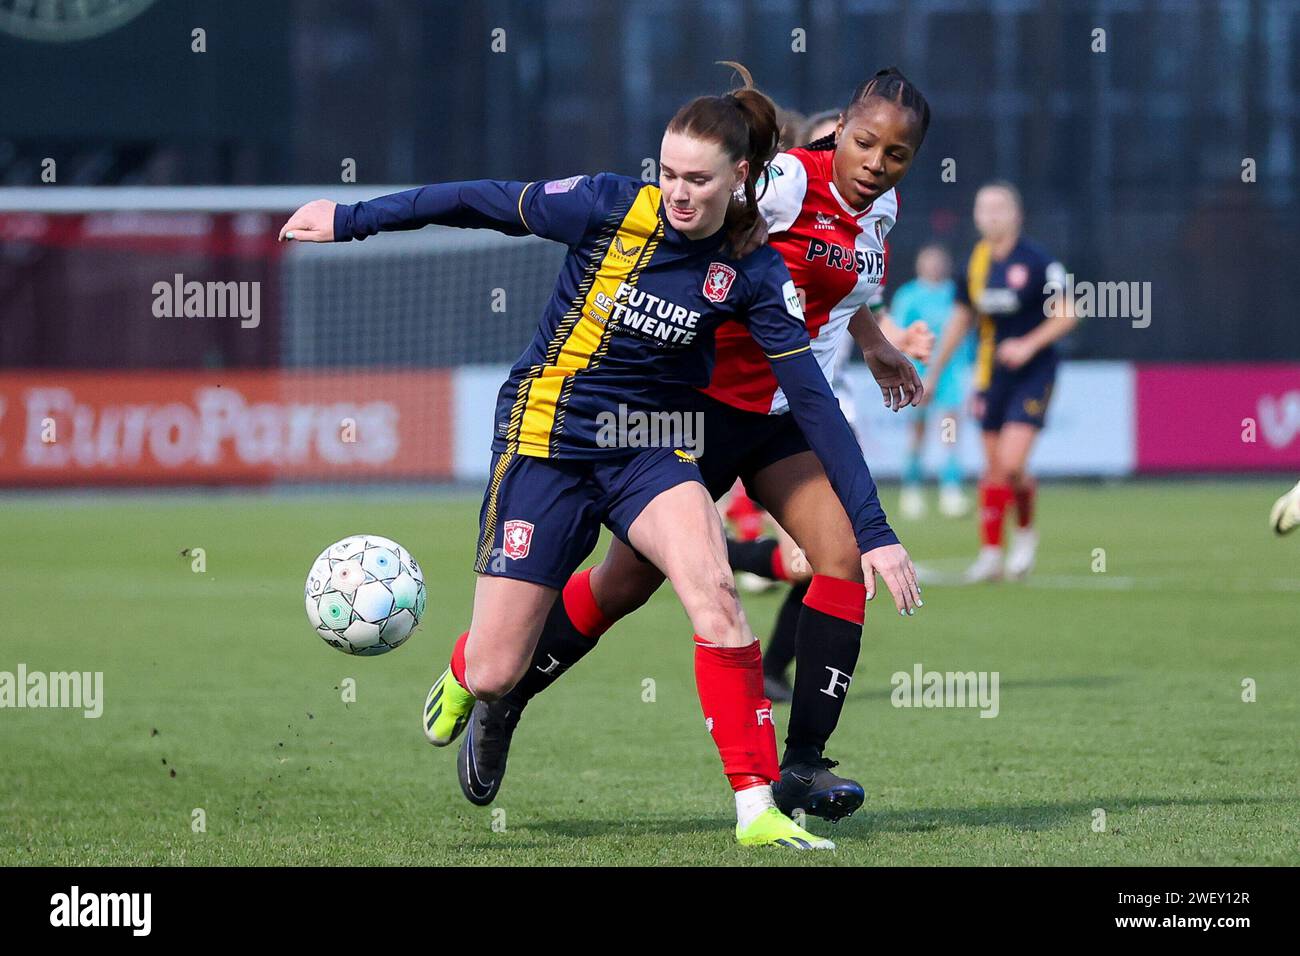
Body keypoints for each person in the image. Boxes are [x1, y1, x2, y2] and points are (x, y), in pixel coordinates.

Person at [278, 65, 920, 850]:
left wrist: (875, 523)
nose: (679, 194)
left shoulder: (755, 266)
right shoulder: (612, 204)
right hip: (548, 438)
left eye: (699, 180)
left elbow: (816, 398)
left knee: (716, 591)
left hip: (652, 439)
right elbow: (482, 200)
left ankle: (761, 804)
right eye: (669, 175)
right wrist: (350, 218)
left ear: (737, 180)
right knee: (504, 661)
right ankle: (483, 684)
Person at [450, 67, 934, 824]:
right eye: (866, 143)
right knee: (621, 586)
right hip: (694, 414)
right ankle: (503, 698)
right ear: (840, 131)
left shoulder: (883, 213)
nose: (877, 162)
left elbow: (834, 290)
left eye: (896, 154)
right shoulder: (779, 185)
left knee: (839, 556)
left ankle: (802, 765)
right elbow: (713, 242)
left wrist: (874, 343)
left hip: (775, 416)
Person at [923, 181, 1077, 581]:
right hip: (991, 376)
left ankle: (1022, 537)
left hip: (1035, 373)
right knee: (998, 468)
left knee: (1008, 464)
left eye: (998, 207)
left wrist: (1028, 344)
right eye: (983, 208)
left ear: (1016, 213)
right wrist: (935, 371)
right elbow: (961, 319)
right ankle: (992, 555)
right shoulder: (974, 264)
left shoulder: (1039, 262)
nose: (990, 215)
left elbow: (1068, 313)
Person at [892, 244, 970, 519]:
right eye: (929, 261)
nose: (934, 267)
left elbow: (964, 332)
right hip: (918, 373)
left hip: (949, 374)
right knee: (918, 432)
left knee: (949, 430)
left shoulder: (954, 293)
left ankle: (951, 489)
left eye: (938, 261)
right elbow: (899, 334)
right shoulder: (909, 295)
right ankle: (911, 491)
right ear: (919, 265)